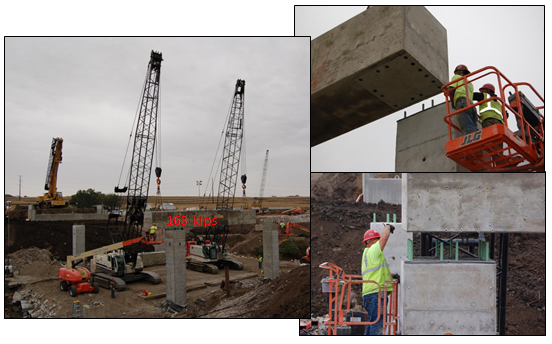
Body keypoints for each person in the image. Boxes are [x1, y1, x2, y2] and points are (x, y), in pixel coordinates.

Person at [361, 226, 397, 335]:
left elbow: (377, 272)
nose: (378, 242)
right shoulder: (373, 251)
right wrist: (388, 227)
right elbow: (384, 238)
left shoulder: (367, 254)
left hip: (371, 295)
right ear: (371, 241)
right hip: (375, 295)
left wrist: (393, 275)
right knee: (378, 323)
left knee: (373, 322)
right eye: (377, 240)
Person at [476, 83, 506, 164]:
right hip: (500, 124)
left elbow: (471, 95)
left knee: (492, 142)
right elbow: (506, 115)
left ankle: (501, 161)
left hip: (489, 120)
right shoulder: (498, 102)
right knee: (498, 145)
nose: (481, 92)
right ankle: (502, 163)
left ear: (486, 90)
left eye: (482, 90)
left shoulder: (485, 96)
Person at [447, 64, 479, 135]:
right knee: (473, 127)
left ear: (458, 72)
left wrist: (453, 103)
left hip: (462, 102)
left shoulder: (456, 77)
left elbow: (451, 91)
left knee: (467, 127)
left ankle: (471, 141)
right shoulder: (470, 83)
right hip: (471, 105)